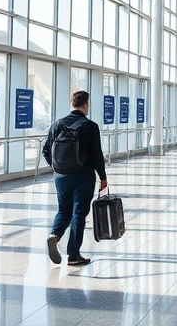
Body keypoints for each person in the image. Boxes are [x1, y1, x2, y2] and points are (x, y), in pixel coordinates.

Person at [42, 90, 107, 266]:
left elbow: (46, 150)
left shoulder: (57, 125)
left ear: (72, 103)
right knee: (79, 213)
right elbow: (96, 154)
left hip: (61, 176)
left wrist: (57, 168)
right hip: (83, 176)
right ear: (85, 104)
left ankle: (54, 235)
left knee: (64, 210)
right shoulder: (90, 126)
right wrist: (103, 177)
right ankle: (73, 254)